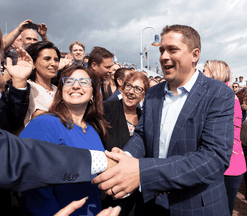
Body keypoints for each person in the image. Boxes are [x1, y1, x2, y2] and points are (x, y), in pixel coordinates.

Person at [93, 24, 235, 216]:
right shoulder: (152, 94)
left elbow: (213, 158)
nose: (163, 57)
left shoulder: (218, 94)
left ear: (195, 55)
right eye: (161, 50)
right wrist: (126, 157)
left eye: (172, 50)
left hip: (195, 207)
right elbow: (142, 135)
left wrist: (142, 173)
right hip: (150, 206)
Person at [20, 65, 110, 215]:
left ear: (93, 94)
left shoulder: (93, 129)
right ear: (61, 92)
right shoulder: (44, 123)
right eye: (69, 81)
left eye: (83, 82)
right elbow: (34, 185)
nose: (75, 85)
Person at [102, 72, 149, 216]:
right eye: (129, 86)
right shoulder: (106, 109)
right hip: (108, 185)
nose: (131, 92)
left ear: (143, 95)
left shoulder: (144, 117)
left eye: (138, 89)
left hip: (134, 188)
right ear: (122, 88)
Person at [203, 60, 246, 215]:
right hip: (221, 164)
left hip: (230, 166)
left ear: (215, 74)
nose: (201, 75)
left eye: (204, 71)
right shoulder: (219, 96)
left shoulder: (227, 98)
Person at [23, 41, 60, 127]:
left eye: (56, 60)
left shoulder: (57, 89)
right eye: (47, 59)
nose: (53, 64)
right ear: (33, 63)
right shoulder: (27, 87)